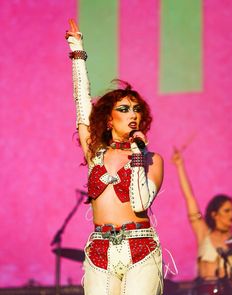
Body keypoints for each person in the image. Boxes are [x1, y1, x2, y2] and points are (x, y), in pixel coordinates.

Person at [65, 19, 164, 295]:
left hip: (141, 249)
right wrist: (77, 51)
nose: (133, 115)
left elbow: (141, 201)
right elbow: (82, 106)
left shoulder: (152, 158)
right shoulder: (95, 153)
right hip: (100, 251)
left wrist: (137, 153)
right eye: (124, 109)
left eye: (136, 110)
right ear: (109, 119)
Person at [172, 148, 232, 293]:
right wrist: (180, 166)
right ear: (214, 214)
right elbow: (190, 197)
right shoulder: (204, 233)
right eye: (227, 210)